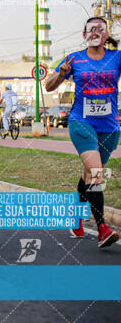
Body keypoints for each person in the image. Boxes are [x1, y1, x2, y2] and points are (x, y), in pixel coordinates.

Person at [45, 16, 120, 248]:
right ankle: (103, 229)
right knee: (96, 172)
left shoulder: (116, 57)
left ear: (106, 35)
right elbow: (48, 85)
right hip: (81, 122)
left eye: (101, 29)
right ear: (84, 34)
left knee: (89, 174)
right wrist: (61, 73)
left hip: (109, 126)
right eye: (91, 29)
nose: (96, 32)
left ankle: (76, 215)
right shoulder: (73, 59)